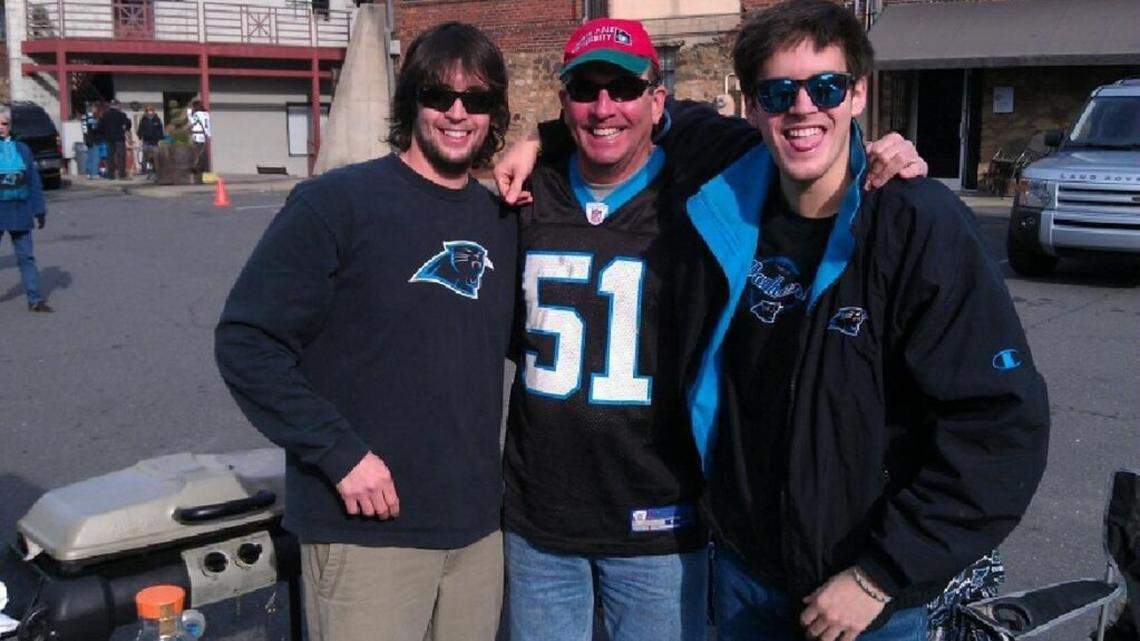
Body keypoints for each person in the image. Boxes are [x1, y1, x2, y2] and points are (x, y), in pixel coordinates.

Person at [494, 18, 926, 641]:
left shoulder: (706, 187)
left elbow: (804, 138)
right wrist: (536, 141)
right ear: (563, 103)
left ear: (658, 100)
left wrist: (878, 149)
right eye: (586, 91)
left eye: (624, 88)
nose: (605, 106)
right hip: (540, 519)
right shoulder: (530, 195)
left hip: (660, 520)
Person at [666, 2, 1049, 640]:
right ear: (753, 105)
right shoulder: (725, 207)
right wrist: (538, 138)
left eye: (826, 86)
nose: (803, 108)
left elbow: (1000, 425)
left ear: (857, 94)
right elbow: (630, 115)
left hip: (867, 602)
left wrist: (880, 574)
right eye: (779, 91)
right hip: (740, 575)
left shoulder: (914, 224)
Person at [215, 21, 515, 641]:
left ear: (494, 115)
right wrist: (340, 453)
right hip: (366, 533)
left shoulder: (503, 218)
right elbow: (247, 341)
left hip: (477, 533)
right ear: (411, 103)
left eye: (477, 100)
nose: (458, 114)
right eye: (439, 96)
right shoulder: (337, 204)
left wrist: (546, 143)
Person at [0, 106, 52, 312]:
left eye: (4, 124)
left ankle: (35, 299)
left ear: (10, 126)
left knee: (26, 256)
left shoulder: (22, 149)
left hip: (19, 210)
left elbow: (33, 181)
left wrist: (39, 210)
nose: (0, 128)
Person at [99, 99, 131, 180]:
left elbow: (100, 127)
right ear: (117, 106)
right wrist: (125, 129)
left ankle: (111, 175)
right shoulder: (121, 115)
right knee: (121, 157)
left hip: (109, 139)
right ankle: (122, 174)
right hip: (119, 139)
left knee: (110, 157)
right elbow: (128, 124)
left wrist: (104, 135)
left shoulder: (105, 115)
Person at [136, 105, 164, 179]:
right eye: (148, 110)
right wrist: (140, 136)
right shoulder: (143, 120)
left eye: (151, 110)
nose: (150, 112)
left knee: (155, 157)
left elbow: (160, 130)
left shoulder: (157, 120)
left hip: (155, 142)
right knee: (145, 156)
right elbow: (140, 129)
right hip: (146, 141)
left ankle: (155, 170)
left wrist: (160, 138)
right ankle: (144, 170)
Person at [188, 101, 211, 183]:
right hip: (204, 135)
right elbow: (207, 126)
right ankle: (202, 171)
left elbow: (191, 124)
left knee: (196, 155)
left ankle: (195, 170)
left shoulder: (197, 114)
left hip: (197, 135)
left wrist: (189, 113)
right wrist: (208, 135)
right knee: (202, 155)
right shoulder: (206, 114)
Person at [80, 102, 102, 179]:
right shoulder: (91, 118)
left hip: (87, 139)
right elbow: (95, 129)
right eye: (95, 107)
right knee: (95, 157)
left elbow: (84, 130)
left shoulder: (83, 117)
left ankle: (88, 173)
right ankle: (94, 173)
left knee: (89, 156)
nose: (96, 109)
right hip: (93, 139)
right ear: (91, 108)